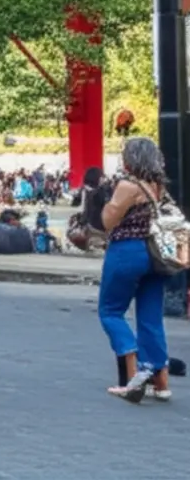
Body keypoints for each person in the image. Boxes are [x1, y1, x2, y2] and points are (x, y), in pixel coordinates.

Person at [99, 137, 173, 402]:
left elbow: (108, 220)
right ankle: (161, 382)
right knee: (150, 318)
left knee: (110, 311)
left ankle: (135, 377)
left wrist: (108, 202)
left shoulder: (128, 185)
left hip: (128, 251)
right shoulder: (158, 186)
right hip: (156, 255)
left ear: (131, 159)